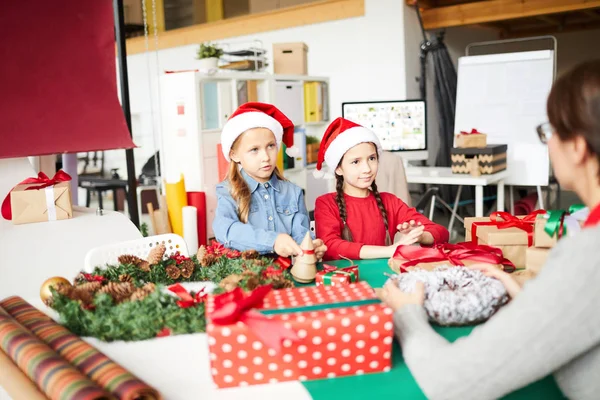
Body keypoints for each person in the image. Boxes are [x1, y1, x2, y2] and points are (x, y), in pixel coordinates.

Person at [381, 59, 600, 400]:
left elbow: (452, 381)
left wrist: (406, 313)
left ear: (578, 147)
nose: (549, 143)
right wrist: (527, 295)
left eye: (550, 131)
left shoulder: (588, 256)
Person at [313, 117, 449, 260]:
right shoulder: (325, 203)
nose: (367, 169)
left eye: (371, 158)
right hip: (345, 280)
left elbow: (442, 232)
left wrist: (420, 235)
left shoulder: (390, 202)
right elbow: (330, 246)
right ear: (339, 168)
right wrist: (389, 251)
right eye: (355, 162)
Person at [213, 102, 327, 259]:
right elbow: (225, 230)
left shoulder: (293, 192)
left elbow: (302, 235)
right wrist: (273, 241)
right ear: (234, 155)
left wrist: (311, 247)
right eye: (255, 150)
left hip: (287, 276)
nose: (266, 157)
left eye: (271, 146)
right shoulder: (227, 192)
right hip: (246, 277)